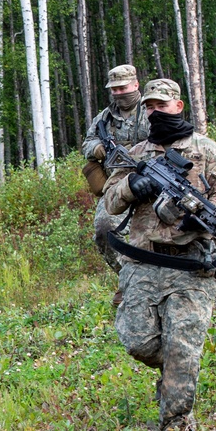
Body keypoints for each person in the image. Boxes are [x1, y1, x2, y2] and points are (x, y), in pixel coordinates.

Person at [100, 79, 216, 431]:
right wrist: (134, 186)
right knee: (138, 341)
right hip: (143, 262)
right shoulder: (135, 153)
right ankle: (178, 371)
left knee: (183, 347)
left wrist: (204, 217)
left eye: (161, 105)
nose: (154, 111)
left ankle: (176, 429)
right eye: (149, 106)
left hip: (192, 262)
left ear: (178, 106)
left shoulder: (205, 150)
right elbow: (111, 201)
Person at [81, 65, 150, 303]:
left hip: (151, 180)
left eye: (123, 88)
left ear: (135, 85)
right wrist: (98, 148)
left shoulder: (151, 110)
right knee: (104, 230)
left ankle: (153, 282)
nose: (119, 93)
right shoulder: (104, 118)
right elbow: (87, 143)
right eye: (114, 89)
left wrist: (137, 153)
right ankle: (129, 278)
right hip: (116, 183)